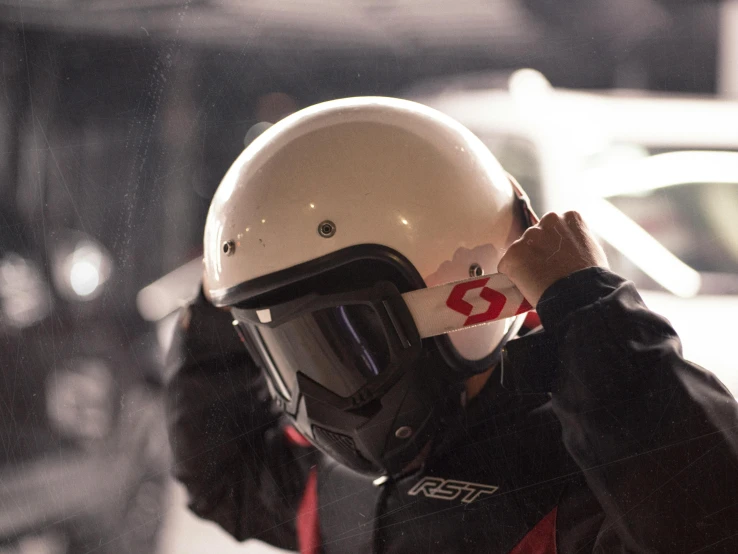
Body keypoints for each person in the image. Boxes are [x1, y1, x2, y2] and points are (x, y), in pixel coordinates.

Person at [165, 97, 738, 554]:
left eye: (341, 345)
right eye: (283, 354)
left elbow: (709, 524)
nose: (313, 396)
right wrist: (233, 283)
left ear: (469, 304)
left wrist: (588, 308)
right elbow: (219, 473)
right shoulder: (342, 486)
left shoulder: (581, 479)